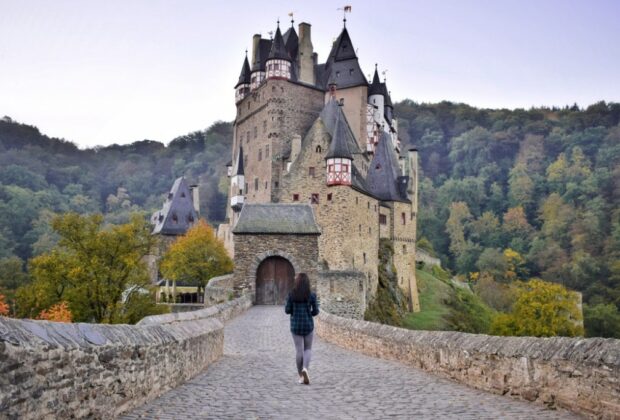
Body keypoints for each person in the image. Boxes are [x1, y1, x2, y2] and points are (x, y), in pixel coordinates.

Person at [284, 273, 319, 385]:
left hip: (296, 325)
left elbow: (287, 310)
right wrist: (310, 313)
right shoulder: (312, 295)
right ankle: (305, 369)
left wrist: (294, 311)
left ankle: (300, 375)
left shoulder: (292, 294)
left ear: (297, 282)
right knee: (307, 349)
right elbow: (316, 311)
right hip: (308, 325)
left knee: (299, 350)